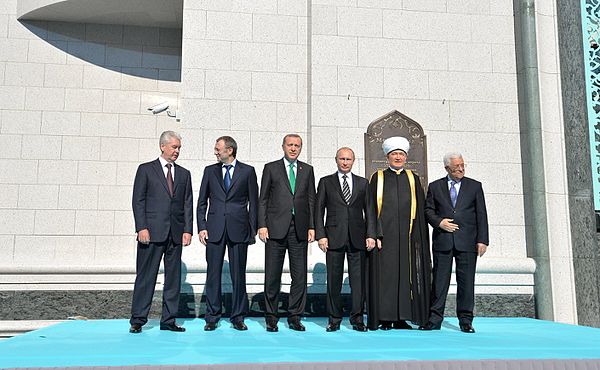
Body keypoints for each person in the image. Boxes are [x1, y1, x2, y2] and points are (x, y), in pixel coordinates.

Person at [129, 130, 193, 333]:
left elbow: (187, 203)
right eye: (174, 147)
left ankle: (169, 320)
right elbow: (138, 200)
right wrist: (141, 227)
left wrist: (187, 230)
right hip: (151, 233)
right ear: (162, 146)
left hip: (175, 234)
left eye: (179, 148)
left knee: (173, 279)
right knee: (146, 276)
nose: (177, 151)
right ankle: (138, 319)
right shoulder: (146, 169)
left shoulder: (184, 174)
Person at [366, 136, 431, 330]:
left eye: (401, 154)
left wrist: (417, 238)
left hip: (407, 238)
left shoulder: (413, 178)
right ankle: (385, 317)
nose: (398, 157)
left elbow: (419, 210)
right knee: (386, 277)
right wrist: (375, 234)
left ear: (406, 157)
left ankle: (403, 316)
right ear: (387, 156)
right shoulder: (378, 177)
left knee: (405, 276)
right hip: (385, 238)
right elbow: (370, 209)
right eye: (394, 154)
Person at [420, 152, 488, 333]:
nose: (461, 169)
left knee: (466, 281)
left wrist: (483, 240)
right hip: (443, 241)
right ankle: (434, 319)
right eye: (456, 166)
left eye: (463, 165)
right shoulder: (435, 187)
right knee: (439, 282)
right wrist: (439, 222)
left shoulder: (474, 186)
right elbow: (428, 210)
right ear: (447, 168)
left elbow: (481, 214)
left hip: (467, 241)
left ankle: (465, 320)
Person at [197, 136, 258, 331]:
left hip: (239, 229)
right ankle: (212, 317)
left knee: (238, 274)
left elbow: (254, 204)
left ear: (229, 150)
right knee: (212, 274)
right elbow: (202, 202)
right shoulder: (210, 171)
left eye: (218, 149)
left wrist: (252, 230)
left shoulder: (248, 171)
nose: (215, 152)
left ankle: (238, 316)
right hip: (214, 229)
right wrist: (202, 226)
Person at [258, 134, 316, 332]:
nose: (293, 148)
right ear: (283, 146)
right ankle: (271, 316)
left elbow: (311, 200)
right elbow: (263, 199)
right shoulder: (271, 168)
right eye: (290, 145)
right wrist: (262, 225)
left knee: (299, 276)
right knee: (272, 275)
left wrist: (311, 226)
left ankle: (294, 316)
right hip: (275, 229)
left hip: (298, 229)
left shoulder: (307, 170)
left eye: (297, 146)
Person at [315, 147, 376, 332]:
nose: (345, 162)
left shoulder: (363, 183)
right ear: (336, 160)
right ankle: (334, 319)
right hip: (333, 237)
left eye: (348, 159)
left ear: (353, 161)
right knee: (333, 281)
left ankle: (357, 319)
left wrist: (371, 234)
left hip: (358, 238)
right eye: (342, 158)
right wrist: (321, 235)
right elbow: (318, 211)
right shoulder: (326, 182)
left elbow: (370, 211)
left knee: (358, 282)